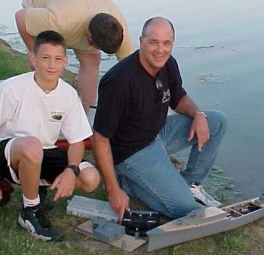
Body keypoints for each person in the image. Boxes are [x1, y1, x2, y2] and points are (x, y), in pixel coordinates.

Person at [92, 17, 228, 221]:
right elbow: (100, 139)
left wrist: (198, 114)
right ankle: (125, 182)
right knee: (184, 208)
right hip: (131, 151)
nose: (160, 50)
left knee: (216, 121)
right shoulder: (119, 81)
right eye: (153, 42)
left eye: (167, 43)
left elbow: (178, 97)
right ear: (141, 42)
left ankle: (191, 184)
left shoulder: (168, 64)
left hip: (159, 133)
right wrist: (112, 190)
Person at [0, 30, 100, 242]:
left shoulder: (68, 94)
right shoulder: (11, 89)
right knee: (31, 145)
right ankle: (30, 211)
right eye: (45, 58)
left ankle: (36, 189)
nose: (52, 65)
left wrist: (71, 170)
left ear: (65, 62)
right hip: (6, 152)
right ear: (33, 59)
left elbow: (77, 141)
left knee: (90, 179)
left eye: (58, 59)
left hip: (41, 152)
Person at [15, 0, 135, 111]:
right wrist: (34, 52)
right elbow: (20, 17)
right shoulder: (59, 21)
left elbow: (132, 68)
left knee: (92, 59)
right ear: (89, 36)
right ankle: (37, 109)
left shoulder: (118, 27)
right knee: (47, 59)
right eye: (98, 47)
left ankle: (87, 111)